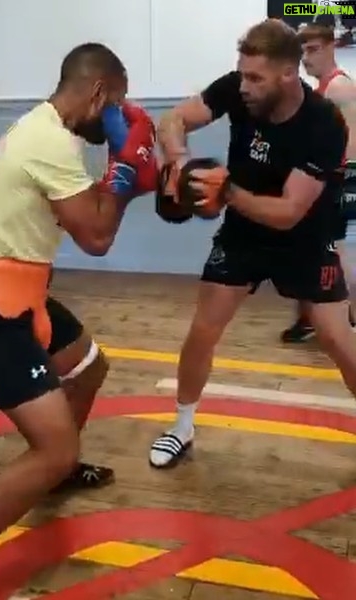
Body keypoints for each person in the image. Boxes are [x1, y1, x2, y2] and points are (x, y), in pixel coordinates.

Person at [0, 42, 158, 599]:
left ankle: (57, 470)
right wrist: (126, 170)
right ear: (98, 91)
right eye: (115, 106)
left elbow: (89, 216)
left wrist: (118, 174)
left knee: (92, 367)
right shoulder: (49, 141)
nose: (114, 120)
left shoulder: (40, 129)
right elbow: (98, 236)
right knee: (55, 448)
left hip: (22, 295)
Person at [149, 18, 356, 469]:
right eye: (242, 73)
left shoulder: (323, 124)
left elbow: (288, 213)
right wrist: (178, 162)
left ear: (287, 74)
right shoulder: (239, 89)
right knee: (203, 331)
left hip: (305, 238)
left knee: (339, 341)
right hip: (243, 235)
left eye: (255, 78)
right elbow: (174, 118)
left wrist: (226, 192)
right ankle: (181, 426)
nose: (244, 85)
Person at [282, 22, 356, 342]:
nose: (307, 59)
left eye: (312, 50)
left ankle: (348, 321)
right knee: (315, 250)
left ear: (329, 48)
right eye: (303, 53)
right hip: (330, 181)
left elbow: (352, 139)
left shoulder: (339, 87)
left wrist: (340, 179)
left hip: (344, 181)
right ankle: (310, 316)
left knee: (338, 253)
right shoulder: (322, 90)